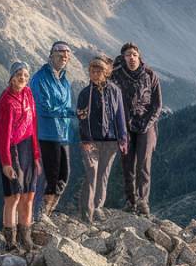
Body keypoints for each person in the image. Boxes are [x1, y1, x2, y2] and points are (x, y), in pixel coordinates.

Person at [112, 43, 162, 216]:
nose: (131, 57)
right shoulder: (116, 75)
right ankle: (130, 201)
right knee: (127, 165)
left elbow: (157, 104)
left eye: (134, 54)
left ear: (139, 56)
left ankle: (143, 202)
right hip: (125, 126)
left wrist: (147, 123)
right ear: (123, 58)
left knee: (143, 164)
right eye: (128, 55)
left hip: (146, 126)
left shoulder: (150, 75)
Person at [76, 56, 128, 224]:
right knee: (91, 174)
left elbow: (120, 116)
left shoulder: (115, 91)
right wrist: (86, 140)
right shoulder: (85, 94)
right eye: (92, 70)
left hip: (111, 141)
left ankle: (97, 208)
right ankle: (86, 214)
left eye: (99, 70)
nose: (95, 73)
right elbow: (82, 119)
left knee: (103, 176)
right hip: (91, 142)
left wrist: (123, 138)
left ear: (106, 72)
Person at [29, 41, 77, 219]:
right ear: (50, 55)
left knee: (63, 176)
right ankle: (38, 215)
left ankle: (47, 212)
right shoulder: (39, 78)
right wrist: (72, 113)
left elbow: (64, 106)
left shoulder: (64, 80)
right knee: (50, 176)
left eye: (67, 52)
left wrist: (72, 114)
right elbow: (43, 108)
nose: (64, 55)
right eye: (60, 51)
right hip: (46, 134)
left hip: (63, 135)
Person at [0, 61, 41, 253]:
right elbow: (3, 134)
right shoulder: (6, 101)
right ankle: (11, 240)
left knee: (29, 194)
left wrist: (37, 155)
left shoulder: (29, 94)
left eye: (25, 74)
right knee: (13, 196)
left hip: (28, 148)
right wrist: (6, 162)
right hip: (12, 149)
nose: (22, 78)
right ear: (11, 77)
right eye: (18, 74)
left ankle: (26, 238)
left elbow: (33, 126)